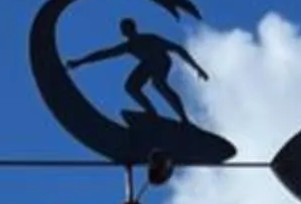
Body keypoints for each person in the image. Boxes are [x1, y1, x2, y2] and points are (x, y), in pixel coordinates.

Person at [68, 15, 208, 128]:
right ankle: (152, 112)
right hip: (148, 64)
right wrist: (80, 62)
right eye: (122, 29)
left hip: (161, 61)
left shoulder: (150, 38)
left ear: (131, 28)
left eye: (124, 28)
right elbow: (104, 54)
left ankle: (184, 119)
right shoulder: (129, 46)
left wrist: (197, 67)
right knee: (131, 87)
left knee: (158, 84)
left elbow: (177, 49)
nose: (123, 31)